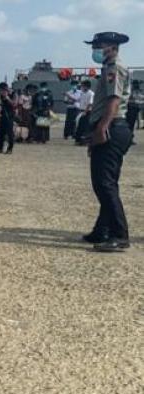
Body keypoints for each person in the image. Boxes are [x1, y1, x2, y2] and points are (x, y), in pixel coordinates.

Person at [82, 32, 133, 252]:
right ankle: (102, 229)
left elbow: (114, 99)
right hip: (112, 126)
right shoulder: (108, 67)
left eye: (98, 45)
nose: (95, 49)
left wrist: (102, 127)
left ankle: (119, 235)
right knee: (106, 182)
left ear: (111, 46)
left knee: (104, 183)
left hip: (112, 127)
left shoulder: (114, 67)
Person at [0, 83, 16, 154]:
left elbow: (14, 104)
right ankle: (0, 148)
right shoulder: (0, 96)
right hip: (2, 116)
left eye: (1, 90)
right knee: (1, 133)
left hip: (10, 117)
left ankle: (10, 149)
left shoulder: (13, 94)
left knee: (10, 133)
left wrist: (7, 98)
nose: (0, 92)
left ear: (5, 89)